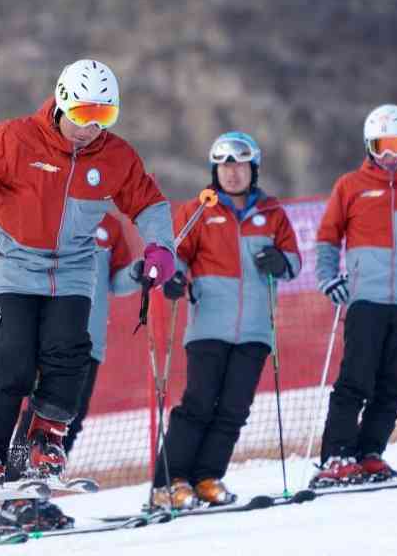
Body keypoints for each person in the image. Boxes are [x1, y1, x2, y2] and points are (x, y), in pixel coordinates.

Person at [0, 58, 176, 491]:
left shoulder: (116, 156)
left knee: (70, 351)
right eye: (85, 114)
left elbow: (149, 203)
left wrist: (161, 246)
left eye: (104, 116)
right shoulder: (17, 138)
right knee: (14, 357)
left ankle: (43, 441)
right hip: (11, 261)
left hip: (72, 266)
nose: (92, 127)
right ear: (63, 102)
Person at [152, 131, 302, 509]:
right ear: (214, 171)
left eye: (239, 167)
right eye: (223, 167)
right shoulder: (198, 210)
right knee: (199, 404)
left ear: (253, 170)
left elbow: (295, 261)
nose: (231, 174)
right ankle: (169, 484)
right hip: (208, 325)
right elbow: (176, 256)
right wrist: (172, 278)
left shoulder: (271, 213)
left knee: (235, 408)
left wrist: (281, 262)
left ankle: (207, 477)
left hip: (254, 328)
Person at [311, 104, 397, 487]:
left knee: (393, 383)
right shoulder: (350, 186)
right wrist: (327, 277)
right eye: (379, 146)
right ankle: (337, 455)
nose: (388, 155)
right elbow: (327, 236)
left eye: (395, 145)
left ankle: (369, 452)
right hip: (366, 298)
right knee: (356, 379)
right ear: (368, 147)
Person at [0, 213, 139, 532]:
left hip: (90, 341)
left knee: (69, 419)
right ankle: (16, 500)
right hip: (54, 338)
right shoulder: (51, 210)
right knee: (39, 415)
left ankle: (40, 496)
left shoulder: (110, 225)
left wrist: (138, 272)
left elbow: (117, 281)